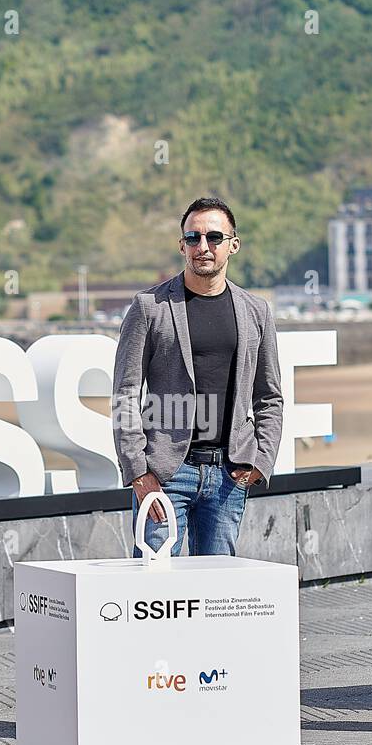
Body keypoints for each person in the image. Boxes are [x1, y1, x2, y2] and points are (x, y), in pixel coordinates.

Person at [111, 196, 283, 555]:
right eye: (193, 238)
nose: (203, 247)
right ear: (181, 245)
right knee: (156, 590)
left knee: (216, 595)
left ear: (233, 244)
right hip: (165, 475)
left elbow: (268, 397)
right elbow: (125, 394)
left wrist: (260, 461)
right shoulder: (149, 307)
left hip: (228, 477)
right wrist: (138, 472)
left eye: (214, 238)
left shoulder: (256, 312)